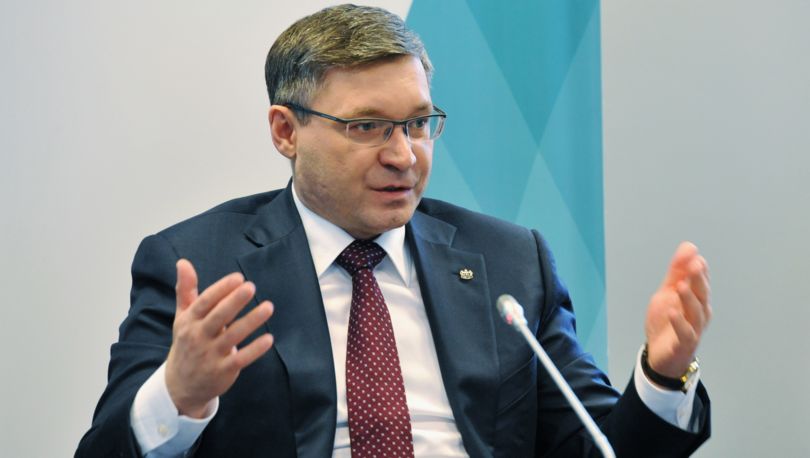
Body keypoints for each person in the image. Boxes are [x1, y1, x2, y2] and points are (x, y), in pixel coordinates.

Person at [76, 4, 712, 457]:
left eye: (417, 123)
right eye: (367, 127)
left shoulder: (511, 261)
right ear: (286, 131)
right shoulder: (197, 261)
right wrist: (177, 395)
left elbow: (599, 447)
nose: (404, 155)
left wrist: (663, 374)